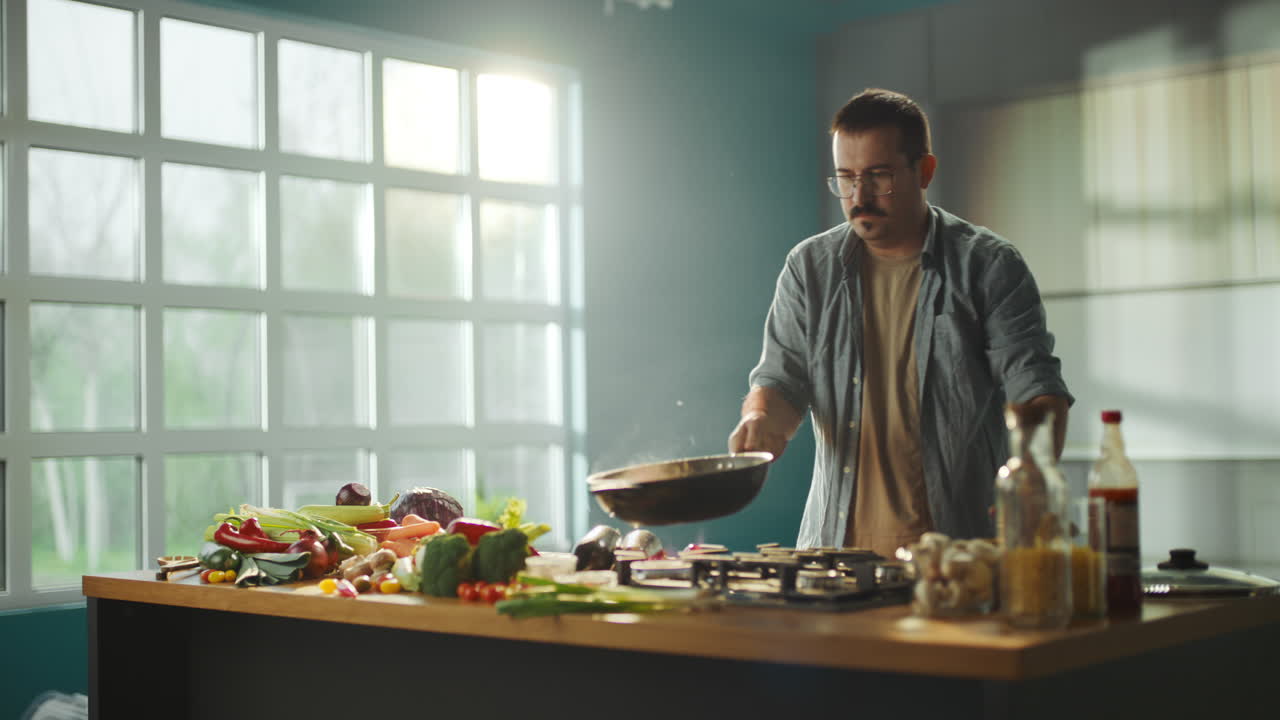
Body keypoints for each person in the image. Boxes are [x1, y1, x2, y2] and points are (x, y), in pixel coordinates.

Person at [728, 88, 1073, 558]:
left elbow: (1035, 390)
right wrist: (760, 419)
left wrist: (1033, 490)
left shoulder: (988, 265)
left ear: (924, 170)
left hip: (959, 560)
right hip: (833, 560)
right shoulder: (809, 268)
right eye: (846, 179)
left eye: (878, 177)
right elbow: (781, 382)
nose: (858, 197)